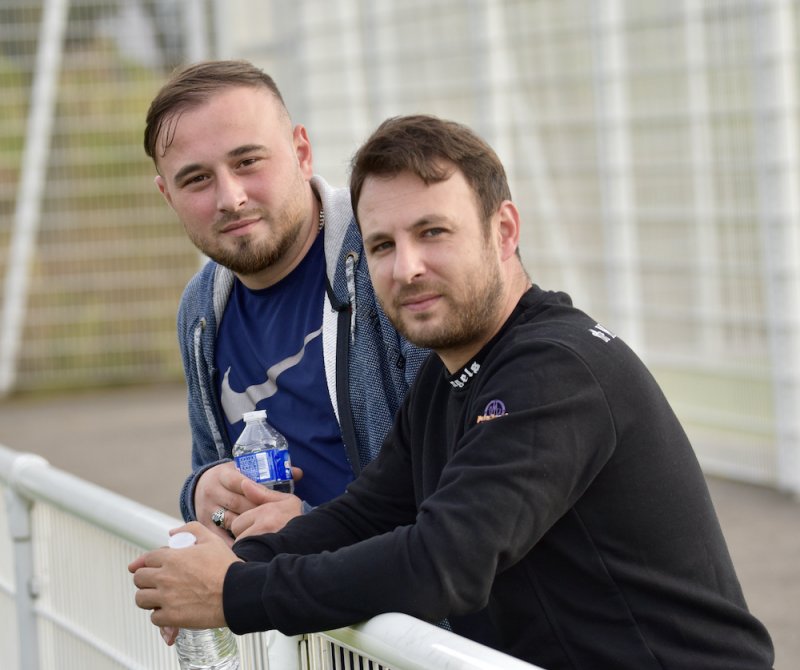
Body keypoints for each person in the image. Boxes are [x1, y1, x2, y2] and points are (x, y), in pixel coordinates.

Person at [131, 114, 775, 669]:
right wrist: (230, 556)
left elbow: (444, 562)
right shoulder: (451, 374)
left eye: (432, 232)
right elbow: (365, 514)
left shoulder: (554, 370)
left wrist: (234, 593)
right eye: (382, 245)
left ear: (504, 231)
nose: (406, 268)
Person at [143, 60, 427, 543]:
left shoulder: (395, 265)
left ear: (301, 152)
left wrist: (312, 533)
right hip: (296, 609)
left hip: (416, 614)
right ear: (167, 195)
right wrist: (201, 493)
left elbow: (462, 487)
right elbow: (214, 473)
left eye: (247, 162)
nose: (230, 198)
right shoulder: (200, 309)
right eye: (196, 179)